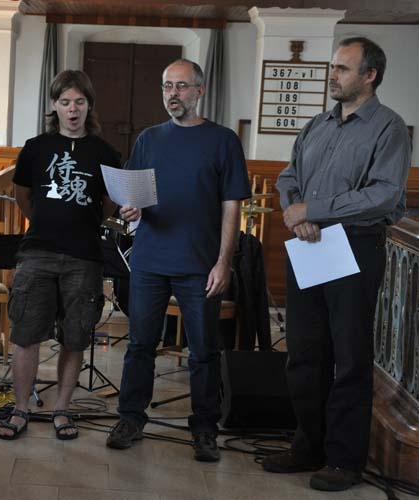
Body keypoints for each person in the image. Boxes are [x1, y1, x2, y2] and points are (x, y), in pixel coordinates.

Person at [263, 37, 411, 492]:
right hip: (309, 244)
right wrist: (298, 213)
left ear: (370, 75)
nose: (333, 75)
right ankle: (308, 446)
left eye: (343, 69)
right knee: (305, 353)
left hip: (355, 247)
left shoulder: (389, 128)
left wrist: (315, 209)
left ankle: (345, 459)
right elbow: (288, 177)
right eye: (333, 67)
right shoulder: (317, 124)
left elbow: (384, 194)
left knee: (348, 357)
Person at [106, 59, 251, 462]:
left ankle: (204, 428)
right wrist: (129, 210)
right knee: (140, 345)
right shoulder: (149, 139)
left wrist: (223, 261)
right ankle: (131, 418)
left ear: (199, 91)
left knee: (203, 350)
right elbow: (132, 198)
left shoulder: (223, 141)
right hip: (150, 259)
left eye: (181, 86)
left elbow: (232, 206)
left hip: (200, 264)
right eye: (167, 86)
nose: (173, 93)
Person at [0, 70, 120, 441]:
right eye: (65, 102)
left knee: (75, 337)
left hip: (84, 256)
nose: (72, 109)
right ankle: (20, 409)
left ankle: (62, 410)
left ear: (89, 106)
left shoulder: (105, 153)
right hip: (38, 252)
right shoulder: (36, 147)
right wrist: (44, 220)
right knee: (26, 334)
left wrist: (84, 222)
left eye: (79, 102)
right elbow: (22, 195)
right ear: (54, 106)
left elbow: (109, 203)